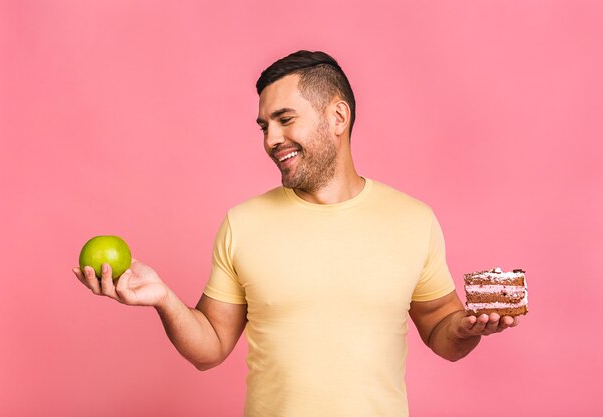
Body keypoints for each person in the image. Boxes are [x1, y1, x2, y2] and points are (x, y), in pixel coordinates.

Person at [73, 50, 521, 417]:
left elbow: (442, 335)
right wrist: (164, 299)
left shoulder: (413, 219)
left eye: (285, 120)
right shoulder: (243, 223)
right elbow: (208, 349)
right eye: (265, 126)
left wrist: (467, 327)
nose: (271, 139)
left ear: (338, 116)